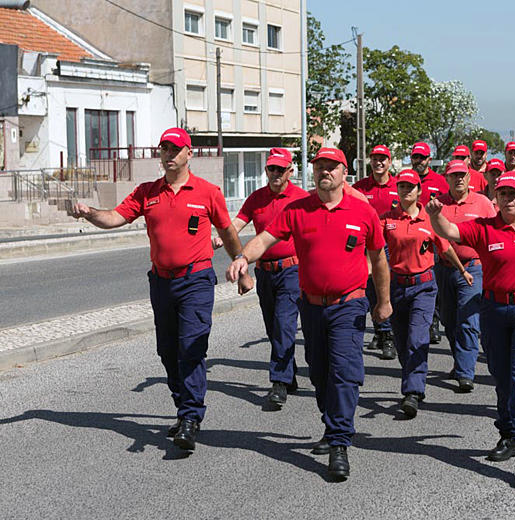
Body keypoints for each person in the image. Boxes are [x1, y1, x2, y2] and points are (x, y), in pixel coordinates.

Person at [70, 127, 244, 450]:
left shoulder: (208, 192)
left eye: (175, 149)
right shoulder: (147, 192)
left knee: (191, 346)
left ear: (189, 153)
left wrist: (243, 264)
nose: (168, 154)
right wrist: (89, 213)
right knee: (167, 351)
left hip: (196, 280)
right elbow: (114, 217)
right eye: (164, 148)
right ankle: (183, 407)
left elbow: (228, 232)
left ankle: (191, 417)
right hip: (162, 282)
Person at [226, 147, 392, 480]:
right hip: (313, 306)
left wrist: (383, 302)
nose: (324, 172)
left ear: (345, 172)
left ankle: (340, 440)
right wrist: (245, 257)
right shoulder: (297, 210)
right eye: (319, 167)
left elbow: (378, 261)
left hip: (350, 304)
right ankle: (332, 425)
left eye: (331, 167)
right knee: (318, 371)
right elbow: (266, 238)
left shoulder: (363, 213)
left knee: (344, 371)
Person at [427, 172, 515, 484]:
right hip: (495, 309)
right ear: (495, 199)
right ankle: (509, 434)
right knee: (502, 376)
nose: (509, 199)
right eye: (503, 194)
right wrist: (435, 216)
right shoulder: (484, 229)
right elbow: (450, 231)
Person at [381, 169, 469, 417]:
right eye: (402, 186)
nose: (406, 190)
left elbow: (446, 248)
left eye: (411, 187)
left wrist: (463, 271)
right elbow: (374, 249)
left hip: (424, 286)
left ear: (419, 190)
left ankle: (413, 392)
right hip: (396, 286)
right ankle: (413, 377)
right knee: (401, 342)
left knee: (417, 337)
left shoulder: (429, 221)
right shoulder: (387, 219)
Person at [225, 147, 307, 409]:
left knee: (284, 324)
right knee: (273, 326)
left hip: (292, 270)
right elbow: (237, 224)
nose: (275, 173)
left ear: (290, 171)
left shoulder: (301, 198)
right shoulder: (256, 198)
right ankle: (289, 372)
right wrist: (221, 238)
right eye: (271, 169)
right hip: (265, 271)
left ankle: (279, 382)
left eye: (280, 169)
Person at [436, 159, 496, 392]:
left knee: (469, 321)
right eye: (454, 175)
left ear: (470, 177)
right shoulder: (438, 204)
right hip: (444, 268)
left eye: (463, 174)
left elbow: (493, 233)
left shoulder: (481, 203)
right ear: (447, 178)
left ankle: (465, 372)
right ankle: (461, 359)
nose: (459, 178)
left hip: (473, 268)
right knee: (449, 320)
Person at [354, 144, 399, 359]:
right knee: (372, 292)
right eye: (375, 158)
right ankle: (383, 332)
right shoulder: (360, 187)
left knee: (388, 290)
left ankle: (388, 333)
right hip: (367, 249)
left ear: (389, 162)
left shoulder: (400, 186)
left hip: (393, 248)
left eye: (383, 159)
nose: (379, 162)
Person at [409, 142, 449, 344]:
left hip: (432, 237)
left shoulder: (440, 181)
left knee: (432, 281)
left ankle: (433, 321)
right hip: (409, 238)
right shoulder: (406, 180)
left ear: (429, 159)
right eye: (415, 157)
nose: (418, 161)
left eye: (422, 158)